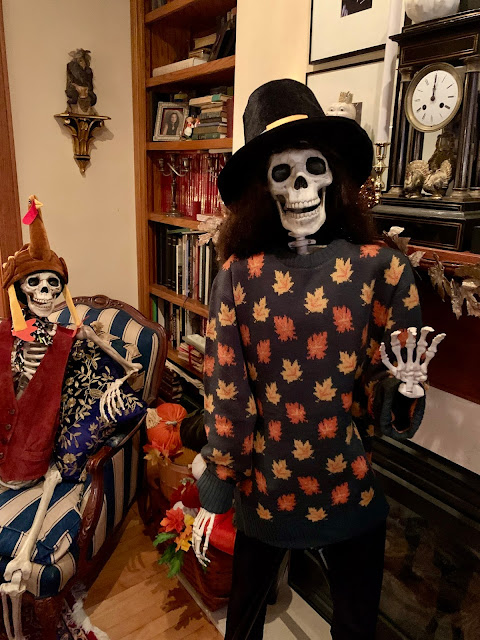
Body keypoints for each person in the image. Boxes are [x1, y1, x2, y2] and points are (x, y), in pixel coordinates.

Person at [192, 79, 444, 640]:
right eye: (282, 173)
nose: (301, 186)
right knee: (255, 623)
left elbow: (385, 392)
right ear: (263, 188)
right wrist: (221, 479)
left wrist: (405, 389)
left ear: (335, 175)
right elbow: (229, 389)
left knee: (342, 625)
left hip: (337, 485)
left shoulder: (382, 268)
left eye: (313, 168)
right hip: (278, 490)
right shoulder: (240, 275)